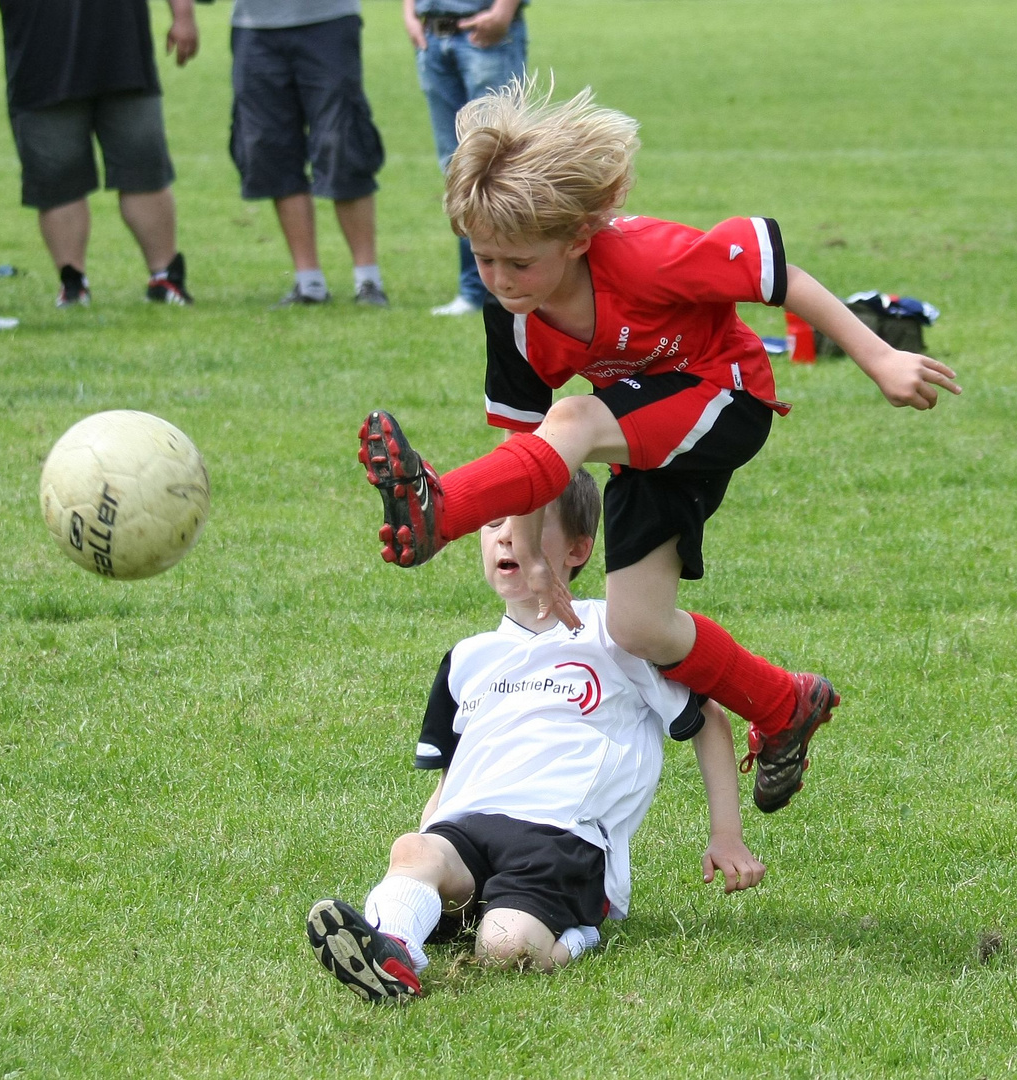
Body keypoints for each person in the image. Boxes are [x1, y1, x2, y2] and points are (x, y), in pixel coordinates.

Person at [358, 79, 963, 814]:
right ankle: (784, 704)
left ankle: (439, 509)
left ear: (578, 238)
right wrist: (534, 552)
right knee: (637, 626)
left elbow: (785, 280)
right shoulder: (512, 319)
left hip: (727, 399)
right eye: (483, 259)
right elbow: (525, 448)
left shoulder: (647, 257)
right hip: (647, 437)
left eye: (520, 263)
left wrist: (880, 359)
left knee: (578, 416)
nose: (500, 279)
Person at [307, 469, 766, 1002]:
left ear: (576, 548)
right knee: (413, 851)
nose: (505, 535)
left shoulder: (616, 634)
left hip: (562, 838)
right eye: (493, 522)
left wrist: (726, 835)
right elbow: (456, 770)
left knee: (505, 951)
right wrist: (427, 842)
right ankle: (393, 951)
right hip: (469, 827)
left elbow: (707, 719)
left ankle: (579, 932)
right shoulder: (466, 658)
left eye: (524, 525)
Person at [0, 0, 197, 307]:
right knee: (55, 178)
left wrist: (183, 15)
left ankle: (165, 277)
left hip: (123, 50)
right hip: (39, 56)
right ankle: (73, 282)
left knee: (144, 167)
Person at [229, 0, 388, 308]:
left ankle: (368, 281)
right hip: (254, 26)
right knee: (269, 149)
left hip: (327, 19)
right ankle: (309, 282)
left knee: (342, 143)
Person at [401, 0, 526, 316]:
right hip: (431, 35)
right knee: (457, 168)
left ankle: (512, 288)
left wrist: (503, 12)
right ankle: (476, 291)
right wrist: (409, 12)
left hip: (484, 31)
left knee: (500, 164)